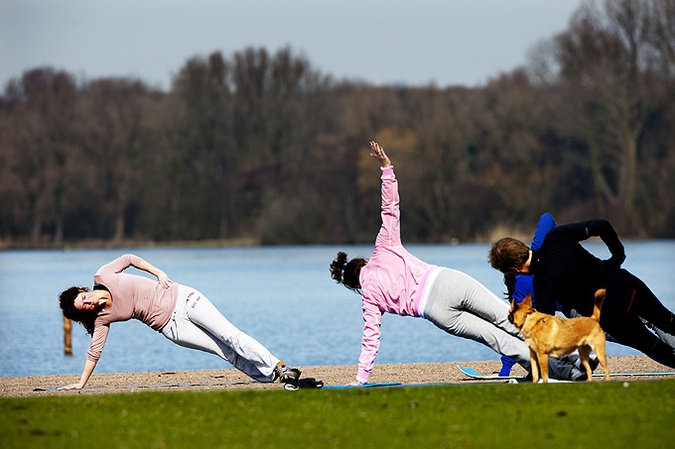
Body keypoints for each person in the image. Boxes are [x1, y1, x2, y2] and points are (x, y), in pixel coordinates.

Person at [329, 141, 582, 385]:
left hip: (435, 311)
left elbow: (370, 338)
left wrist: (361, 378)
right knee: (509, 319)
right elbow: (390, 209)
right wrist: (386, 169)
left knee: (497, 339)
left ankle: (565, 374)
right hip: (446, 282)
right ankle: (576, 357)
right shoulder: (383, 248)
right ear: (363, 261)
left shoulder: (369, 299)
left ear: (356, 285)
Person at [58, 254, 300, 390]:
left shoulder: (103, 275)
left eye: (84, 297)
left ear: (82, 290)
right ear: (84, 313)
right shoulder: (101, 320)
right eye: (84, 307)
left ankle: (278, 366)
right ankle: (270, 378)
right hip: (172, 328)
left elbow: (129, 258)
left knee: (231, 336)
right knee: (223, 351)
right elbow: (94, 352)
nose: (88, 302)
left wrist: (158, 272)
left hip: (184, 298)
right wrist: (81, 382)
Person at [489, 219, 675, 369]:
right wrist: (617, 256)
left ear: (514, 269)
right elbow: (601, 225)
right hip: (625, 285)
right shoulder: (555, 237)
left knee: (652, 346)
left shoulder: (542, 284)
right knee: (668, 320)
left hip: (612, 316)